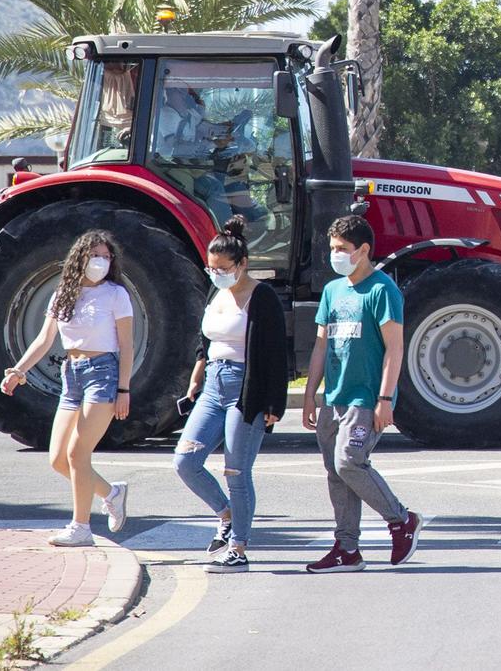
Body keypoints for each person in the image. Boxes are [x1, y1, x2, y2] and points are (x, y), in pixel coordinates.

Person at [0, 229, 134, 546]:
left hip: (103, 373)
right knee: (58, 459)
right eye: (95, 255)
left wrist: (124, 390)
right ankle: (112, 493)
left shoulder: (116, 294)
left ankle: (81, 527)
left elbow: (126, 346)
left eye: (106, 256)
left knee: (78, 454)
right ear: (80, 258)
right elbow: (45, 339)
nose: (101, 261)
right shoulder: (64, 292)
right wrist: (19, 371)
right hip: (71, 374)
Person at [302, 215, 421, 573]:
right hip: (333, 399)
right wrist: (311, 394)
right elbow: (321, 346)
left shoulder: (382, 290)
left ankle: (401, 520)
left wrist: (385, 399)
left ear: (364, 250)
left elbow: (394, 349)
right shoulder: (332, 291)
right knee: (336, 473)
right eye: (333, 248)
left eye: (342, 249)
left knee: (348, 461)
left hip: (365, 398)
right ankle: (347, 549)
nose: (335, 255)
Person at [172, 216, 289, 573]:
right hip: (213, 385)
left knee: (236, 471)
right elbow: (205, 338)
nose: (216, 274)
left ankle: (238, 547)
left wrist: (274, 405)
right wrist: (197, 371)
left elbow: (274, 354)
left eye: (223, 268)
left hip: (246, 388)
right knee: (185, 462)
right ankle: (225, 514)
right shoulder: (216, 293)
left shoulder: (262, 297)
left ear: (242, 264)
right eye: (211, 268)